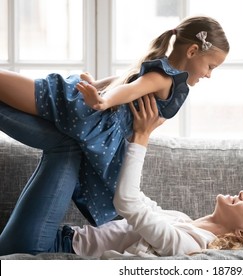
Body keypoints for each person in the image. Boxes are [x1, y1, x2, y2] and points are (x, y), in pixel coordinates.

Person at [0, 16, 230, 226]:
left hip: (95, 121)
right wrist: (102, 101)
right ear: (192, 51)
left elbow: (126, 82)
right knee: (41, 93)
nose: (209, 74)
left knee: (41, 95)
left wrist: (99, 89)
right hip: (93, 116)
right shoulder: (164, 79)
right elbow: (132, 87)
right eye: (210, 66)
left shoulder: (167, 78)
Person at [0, 95, 243, 257]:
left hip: (42, 248)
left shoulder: (188, 246)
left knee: (67, 146)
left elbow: (128, 203)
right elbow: (134, 197)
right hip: (56, 237)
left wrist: (142, 135)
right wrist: (122, 132)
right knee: (75, 139)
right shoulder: (182, 219)